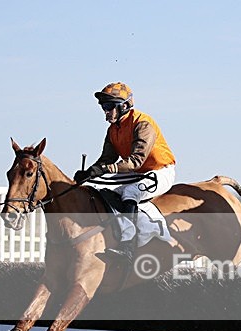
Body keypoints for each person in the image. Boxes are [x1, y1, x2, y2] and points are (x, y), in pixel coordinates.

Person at [74, 82, 176, 262]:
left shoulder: (143, 124)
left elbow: (136, 161)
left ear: (124, 106)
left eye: (108, 106)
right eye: (103, 107)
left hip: (160, 170)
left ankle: (128, 245)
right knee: (98, 187)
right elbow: (106, 160)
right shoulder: (113, 129)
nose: (105, 111)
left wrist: (108, 169)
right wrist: (89, 173)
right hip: (136, 172)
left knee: (130, 191)